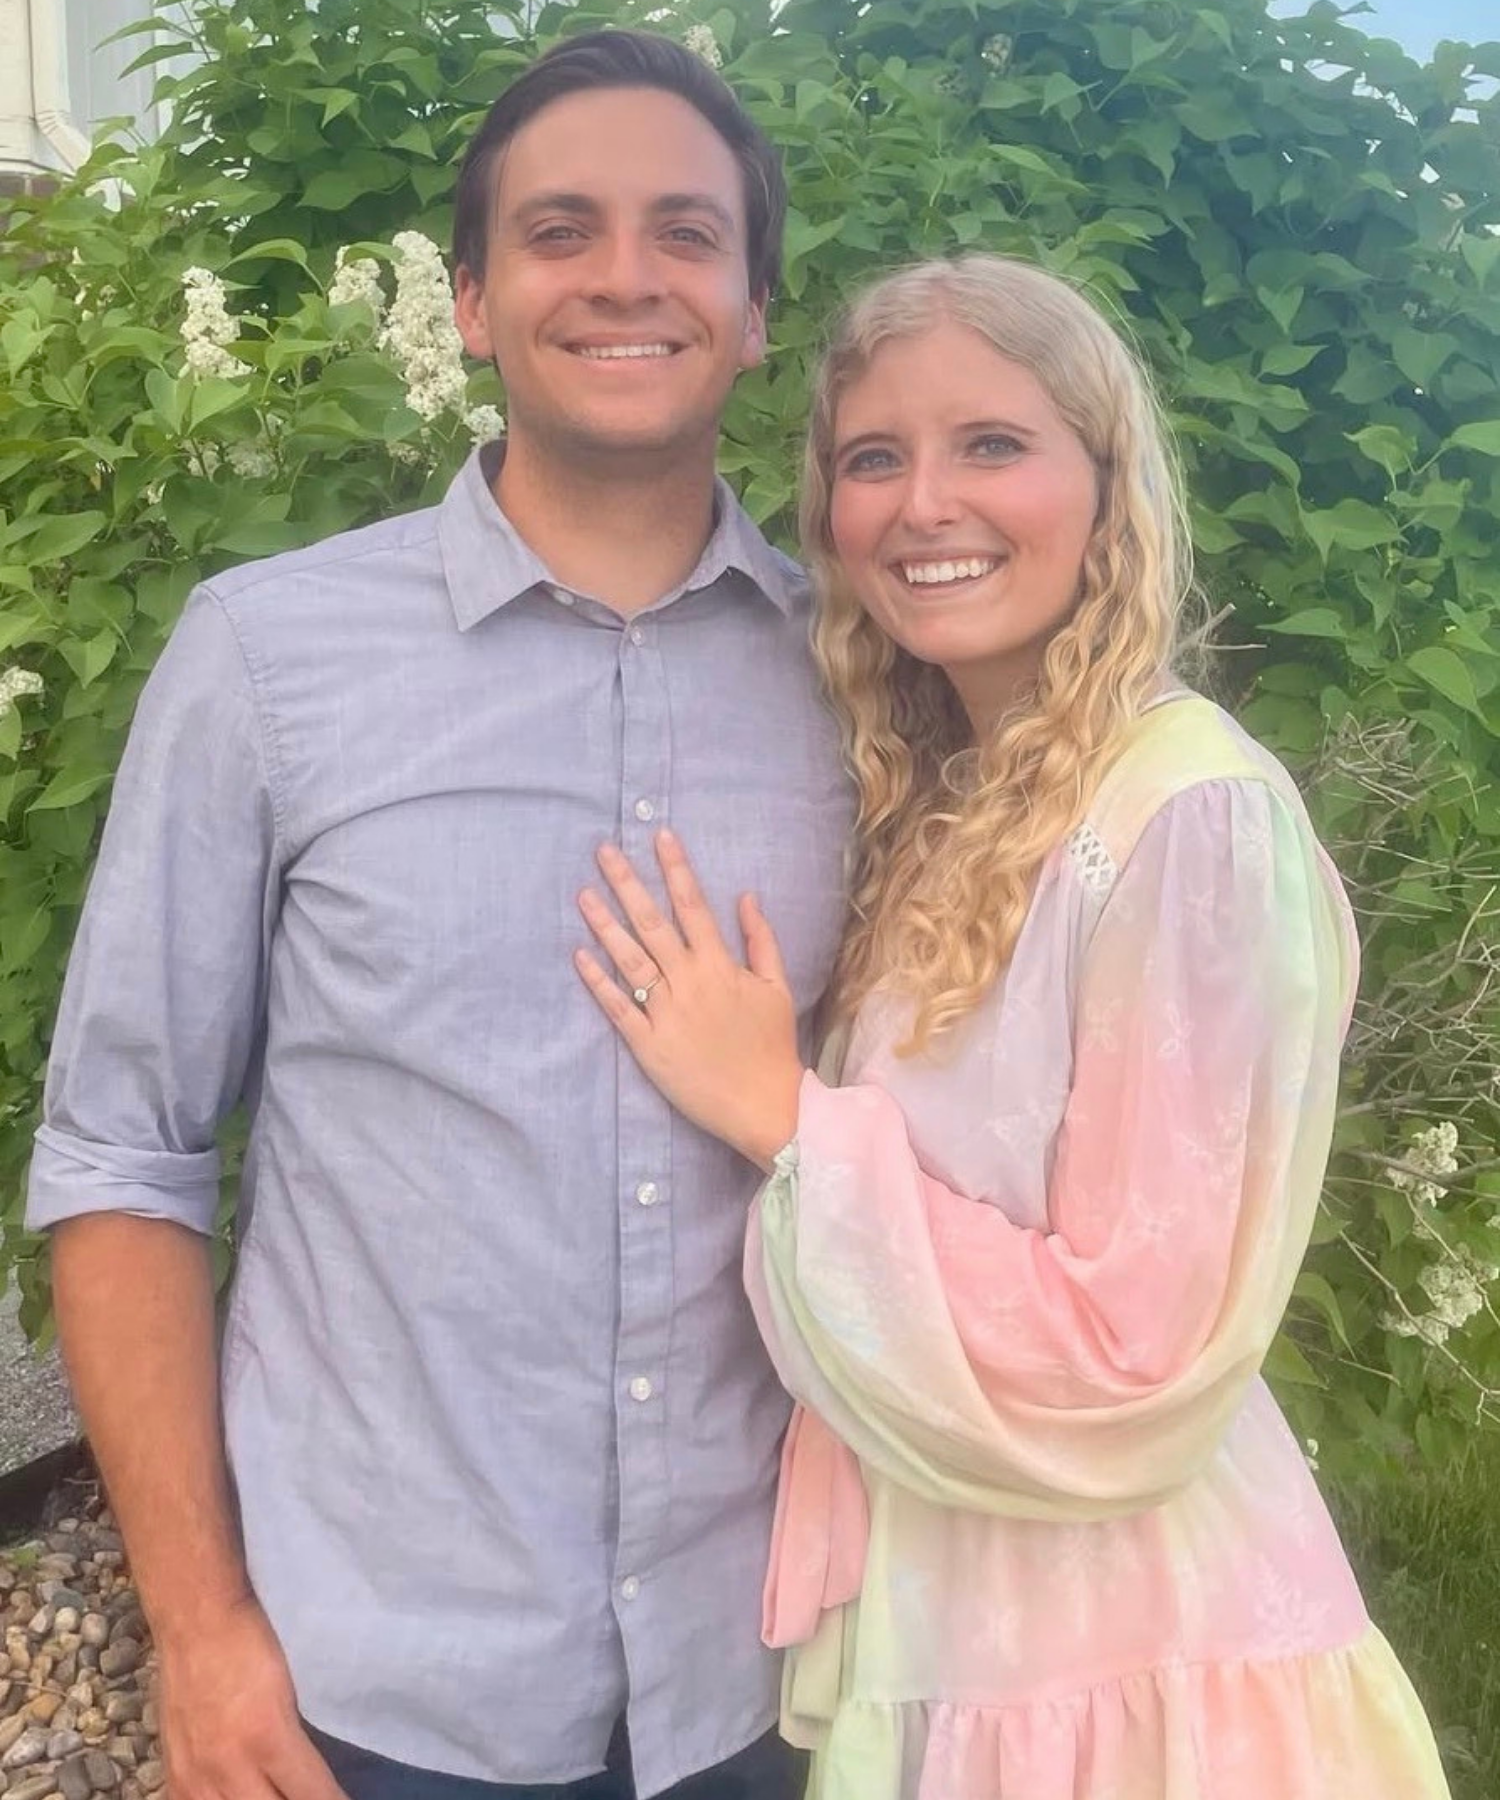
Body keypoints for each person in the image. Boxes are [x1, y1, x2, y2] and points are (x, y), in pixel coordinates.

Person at [25, 28, 851, 1800]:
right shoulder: (265, 658)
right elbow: (122, 1153)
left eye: (686, 234)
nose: (626, 274)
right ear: (472, 303)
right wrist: (202, 1634)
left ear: (756, 310)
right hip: (374, 1699)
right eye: (561, 231)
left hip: (771, 1680)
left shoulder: (862, 691)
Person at [573, 253, 1454, 1799]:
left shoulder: (1186, 819)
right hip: (958, 1624)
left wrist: (782, 1114)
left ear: (1106, 485)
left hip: (1120, 1676)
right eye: (873, 458)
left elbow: (1138, 1350)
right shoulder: (957, 796)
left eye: (993, 444)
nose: (924, 504)